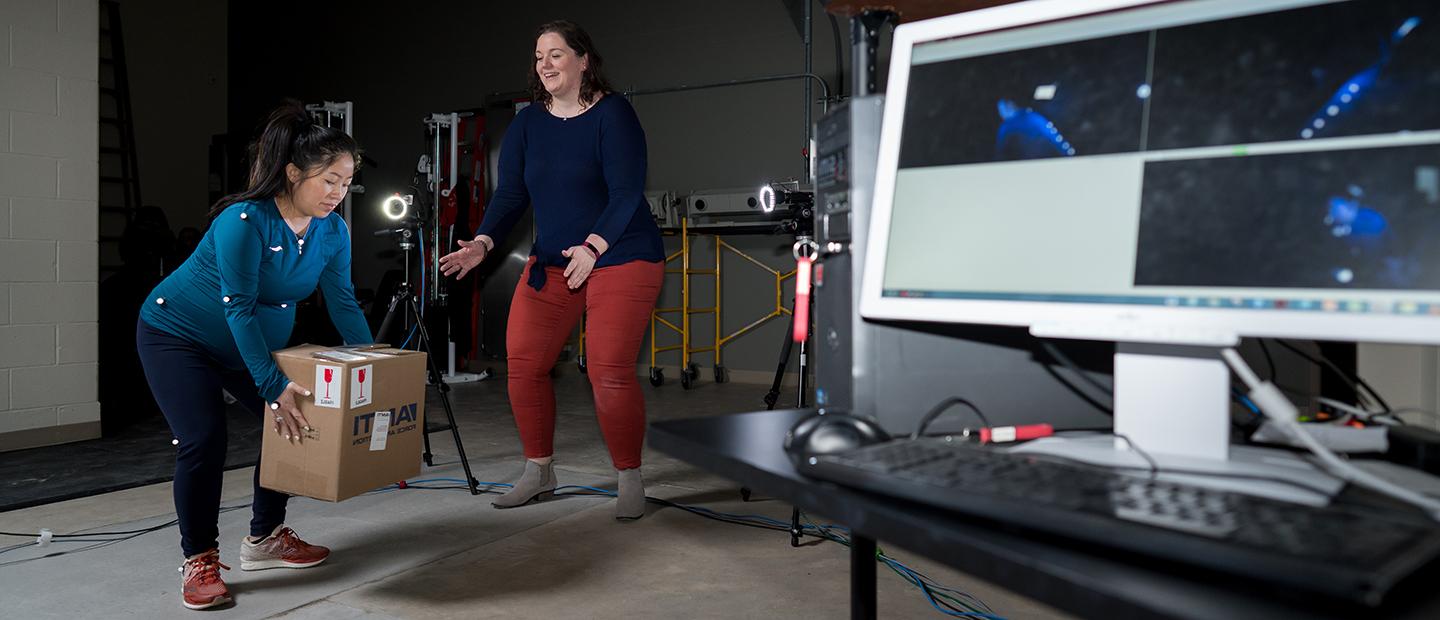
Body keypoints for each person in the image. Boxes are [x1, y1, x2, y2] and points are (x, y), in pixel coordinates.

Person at [135, 102, 373, 610]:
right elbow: (238, 307)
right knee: (204, 439)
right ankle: (199, 558)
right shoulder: (243, 221)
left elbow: (343, 300)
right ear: (293, 173)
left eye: (347, 182)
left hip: (248, 345)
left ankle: (265, 538)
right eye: (329, 180)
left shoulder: (333, 232)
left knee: (293, 421)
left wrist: (370, 366)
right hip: (179, 337)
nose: (338, 194)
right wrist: (271, 384)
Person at [439, 20, 664, 520]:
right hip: (556, 263)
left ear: (584, 60)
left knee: (607, 371)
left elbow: (628, 192)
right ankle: (539, 471)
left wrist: (594, 246)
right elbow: (512, 194)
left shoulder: (613, 114)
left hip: (621, 255)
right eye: (539, 56)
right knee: (523, 365)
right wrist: (482, 240)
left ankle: (629, 475)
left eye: (556, 53)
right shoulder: (528, 124)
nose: (545, 63)